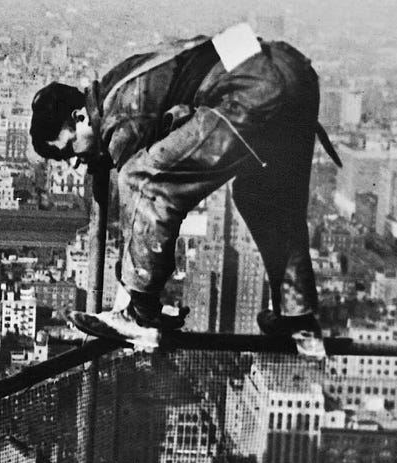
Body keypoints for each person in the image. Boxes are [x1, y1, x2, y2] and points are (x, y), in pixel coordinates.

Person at [30, 23, 337, 356]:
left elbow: (141, 198)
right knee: (264, 198)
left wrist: (130, 308)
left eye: (68, 149)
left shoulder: (119, 114)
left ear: (79, 117)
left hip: (252, 91)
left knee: (141, 179)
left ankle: (139, 317)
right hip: (292, 74)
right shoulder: (118, 82)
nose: (75, 162)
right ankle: (298, 319)